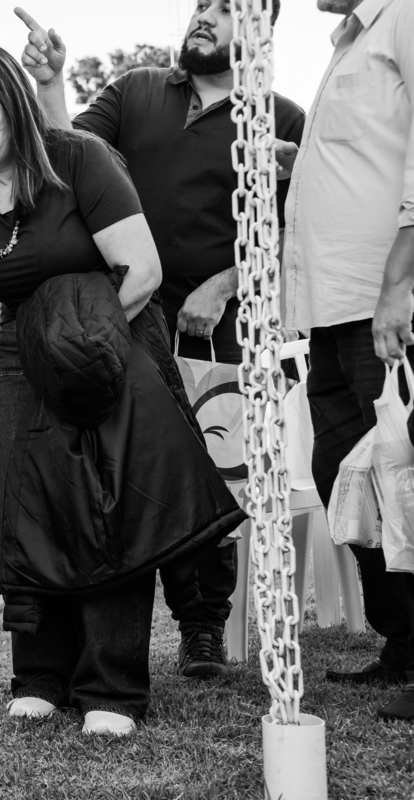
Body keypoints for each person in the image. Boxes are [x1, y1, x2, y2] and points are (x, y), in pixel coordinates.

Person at [0, 41, 216, 736]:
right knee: (31, 513)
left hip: (105, 350)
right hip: (20, 364)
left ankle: (112, 689)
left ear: (14, 98)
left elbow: (142, 271)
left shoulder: (78, 160)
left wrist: (76, 344)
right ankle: (40, 675)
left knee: (105, 510)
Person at [16, 1, 306, 679]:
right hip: (126, 315)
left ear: (261, 30)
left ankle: (202, 626)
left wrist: (225, 284)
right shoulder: (136, 91)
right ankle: (111, 632)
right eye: (202, 3)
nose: (206, 15)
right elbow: (68, 158)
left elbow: (291, 230)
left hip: (218, 329)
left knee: (206, 472)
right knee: (124, 470)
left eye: (227, 9)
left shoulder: (282, 117)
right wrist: (51, 83)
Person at [284, 0, 414, 720]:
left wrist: (400, 285)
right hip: (328, 306)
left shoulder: (406, 17)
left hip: (380, 298)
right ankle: (404, 644)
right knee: (345, 474)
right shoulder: (347, 40)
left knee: (403, 477)